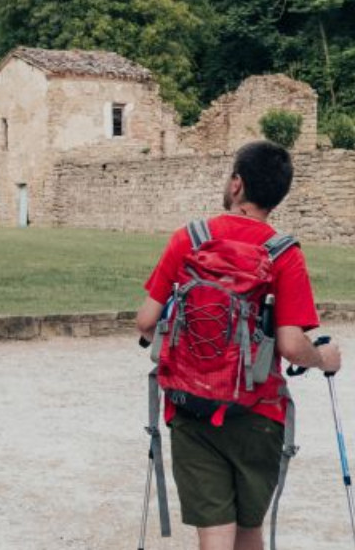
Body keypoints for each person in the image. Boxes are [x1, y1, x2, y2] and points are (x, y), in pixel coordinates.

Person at [135, 141, 342, 550]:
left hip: (190, 405)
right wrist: (323, 358)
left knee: (214, 534)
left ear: (236, 183)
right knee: (249, 530)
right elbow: (290, 343)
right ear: (278, 196)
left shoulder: (188, 239)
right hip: (257, 410)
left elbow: (145, 322)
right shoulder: (284, 254)